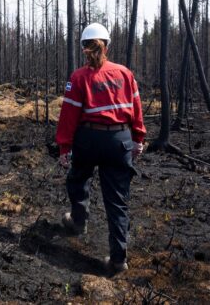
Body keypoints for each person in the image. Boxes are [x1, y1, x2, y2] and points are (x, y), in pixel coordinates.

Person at [55, 22, 146, 274]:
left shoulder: (79, 77)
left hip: (89, 140)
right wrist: (138, 139)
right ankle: (118, 260)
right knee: (117, 201)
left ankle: (78, 221)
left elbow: (69, 116)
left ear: (84, 47)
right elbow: (136, 110)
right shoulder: (125, 74)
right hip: (120, 141)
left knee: (78, 178)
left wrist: (65, 147)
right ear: (107, 45)